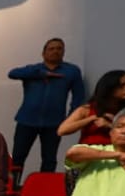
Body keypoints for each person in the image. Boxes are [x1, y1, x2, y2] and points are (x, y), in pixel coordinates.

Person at [7, 38, 84, 177]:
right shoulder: (34, 69)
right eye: (51, 48)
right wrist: (40, 74)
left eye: (59, 48)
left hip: (54, 123)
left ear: (64, 52)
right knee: (18, 156)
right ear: (43, 53)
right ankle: (13, 187)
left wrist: (71, 118)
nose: (55, 51)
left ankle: (44, 187)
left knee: (49, 159)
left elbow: (78, 96)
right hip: (27, 120)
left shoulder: (71, 71)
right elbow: (12, 73)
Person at [57, 69, 125, 149]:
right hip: (90, 152)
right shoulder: (87, 109)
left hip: (120, 151)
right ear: (109, 88)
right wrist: (91, 118)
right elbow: (62, 130)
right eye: (122, 86)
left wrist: (111, 125)